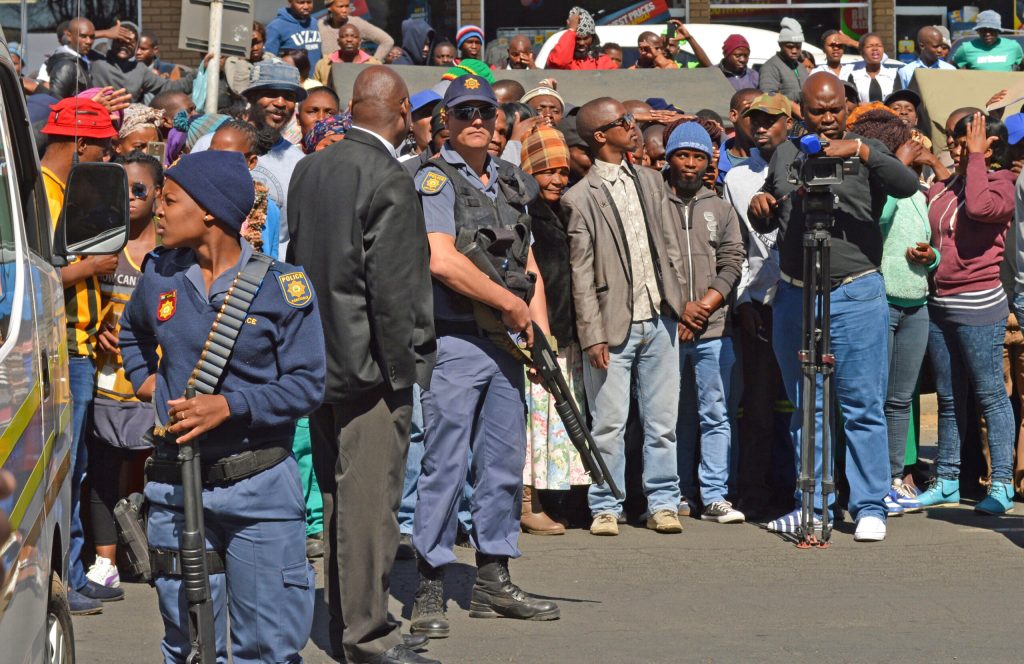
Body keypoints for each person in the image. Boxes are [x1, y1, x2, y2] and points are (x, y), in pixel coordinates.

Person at [118, 150, 324, 663]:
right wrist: (152, 388)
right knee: (187, 646)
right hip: (176, 487)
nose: (158, 211)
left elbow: (307, 385)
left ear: (209, 209)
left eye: (169, 199)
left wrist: (228, 407)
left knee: (266, 648)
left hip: (259, 491)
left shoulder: (282, 287)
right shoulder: (160, 275)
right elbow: (132, 335)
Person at [287, 65, 438, 664]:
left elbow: (304, 266)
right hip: (372, 369)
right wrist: (406, 372)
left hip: (318, 361)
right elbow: (393, 292)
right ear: (402, 110)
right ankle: (368, 638)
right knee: (371, 508)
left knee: (338, 498)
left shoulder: (309, 169)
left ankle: (346, 622)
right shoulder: (389, 178)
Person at [410, 74, 558, 639]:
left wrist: (537, 333)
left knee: (501, 462)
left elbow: (530, 267)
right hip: (456, 338)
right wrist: (511, 309)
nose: (477, 119)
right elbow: (441, 261)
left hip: (506, 343)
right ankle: (430, 581)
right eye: (464, 111)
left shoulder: (512, 182)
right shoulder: (432, 177)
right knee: (445, 463)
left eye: (485, 111)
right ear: (444, 121)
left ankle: (493, 579)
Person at [748, 72, 920, 542]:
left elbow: (906, 185)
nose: (826, 120)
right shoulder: (787, 150)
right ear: (801, 110)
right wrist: (759, 207)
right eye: (816, 111)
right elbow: (770, 208)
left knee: (862, 405)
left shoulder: (868, 148)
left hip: (855, 291)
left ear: (847, 106)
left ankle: (869, 506)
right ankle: (813, 505)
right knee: (808, 406)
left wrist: (862, 152)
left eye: (834, 110)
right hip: (795, 292)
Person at [563, 97, 686, 536]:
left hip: (660, 318)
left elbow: (671, 246)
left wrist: (678, 301)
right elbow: (580, 272)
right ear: (601, 136)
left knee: (662, 423)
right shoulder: (579, 197)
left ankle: (663, 503)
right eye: (624, 122)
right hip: (613, 325)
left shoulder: (651, 181)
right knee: (609, 423)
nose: (634, 126)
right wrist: (592, 335)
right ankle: (606, 505)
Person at [40, 97, 124, 615]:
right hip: (61, 351)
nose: (107, 156)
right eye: (102, 146)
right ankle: (64, 578)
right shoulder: (41, 199)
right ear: (78, 144)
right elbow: (33, 277)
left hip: (82, 346)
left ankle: (67, 574)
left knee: (76, 464)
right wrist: (89, 267)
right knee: (64, 470)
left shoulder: (64, 193)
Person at [919, 112, 1017, 514]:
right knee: (948, 395)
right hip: (940, 303)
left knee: (991, 395)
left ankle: (1002, 485)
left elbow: (978, 208)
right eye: (956, 142)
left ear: (989, 146)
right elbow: (938, 220)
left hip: (979, 306)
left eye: (965, 141)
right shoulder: (953, 182)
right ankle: (946, 479)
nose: (957, 148)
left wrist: (975, 158)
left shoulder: (1003, 184)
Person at [847, 106, 934, 515]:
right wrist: (896, 168)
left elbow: (928, 238)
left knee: (900, 399)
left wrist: (930, 257)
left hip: (917, 303)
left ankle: (896, 478)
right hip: (882, 302)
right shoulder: (877, 184)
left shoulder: (918, 190)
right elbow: (875, 220)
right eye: (905, 143)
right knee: (875, 398)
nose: (916, 146)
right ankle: (875, 482)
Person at [84, 152, 162, 590]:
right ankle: (105, 564)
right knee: (103, 468)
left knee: (151, 467)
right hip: (105, 379)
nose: (130, 199)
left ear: (157, 196)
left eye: (139, 190)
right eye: (123, 190)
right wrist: (97, 330)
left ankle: (148, 552)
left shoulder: (170, 251)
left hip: (151, 382)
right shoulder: (99, 246)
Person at [663, 122, 744, 524]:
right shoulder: (655, 203)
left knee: (715, 413)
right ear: (669, 158)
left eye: (698, 156)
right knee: (672, 417)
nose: (690, 164)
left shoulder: (722, 208)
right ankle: (677, 493)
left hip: (714, 329)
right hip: (668, 329)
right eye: (683, 155)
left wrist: (704, 308)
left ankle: (714, 495)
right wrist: (681, 310)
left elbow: (732, 264)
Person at [723, 92, 793, 518]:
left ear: (789, 123)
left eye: (771, 119)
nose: (762, 126)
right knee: (760, 404)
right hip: (759, 304)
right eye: (755, 119)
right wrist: (742, 301)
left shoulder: (805, 167)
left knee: (801, 403)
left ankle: (800, 486)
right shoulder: (735, 178)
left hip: (802, 297)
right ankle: (755, 491)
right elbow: (737, 247)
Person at [519, 125, 587, 535]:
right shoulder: (520, 212)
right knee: (531, 424)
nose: (558, 179)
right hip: (532, 334)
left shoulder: (564, 212)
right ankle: (527, 502)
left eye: (563, 171)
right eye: (547, 171)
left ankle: (551, 497)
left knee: (555, 421)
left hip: (564, 332)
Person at [210, 120, 282, 258]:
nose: (216, 161)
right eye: (211, 153)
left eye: (227, 157)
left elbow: (270, 258)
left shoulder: (267, 208)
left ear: (251, 162)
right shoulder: (197, 197)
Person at [90, 23, 196, 103]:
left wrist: (198, 72)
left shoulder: (139, 69)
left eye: (129, 42)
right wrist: (105, 33)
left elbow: (169, 88)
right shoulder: (97, 59)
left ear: (136, 46)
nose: (124, 45)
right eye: (119, 40)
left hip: (126, 123)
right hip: (98, 118)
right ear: (112, 41)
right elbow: (76, 41)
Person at [318, 0, 393, 62]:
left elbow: (387, 41)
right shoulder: (321, 25)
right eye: (340, 7)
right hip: (327, 74)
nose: (344, 10)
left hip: (353, 73)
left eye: (347, 6)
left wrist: (373, 63)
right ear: (329, 8)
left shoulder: (357, 23)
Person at [546, 7, 617, 70]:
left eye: (586, 38)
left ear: (592, 37)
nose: (582, 43)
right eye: (577, 39)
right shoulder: (562, 57)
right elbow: (558, 62)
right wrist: (571, 30)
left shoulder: (602, 61)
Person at [224, 22, 282, 96]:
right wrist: (242, 62)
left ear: (264, 42)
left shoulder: (271, 59)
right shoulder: (233, 62)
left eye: (258, 43)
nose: (255, 48)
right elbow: (238, 91)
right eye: (250, 44)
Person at [759, 18, 809, 107]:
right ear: (780, 45)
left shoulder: (800, 67)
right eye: (790, 46)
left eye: (798, 47)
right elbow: (768, 98)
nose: (794, 50)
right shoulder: (770, 67)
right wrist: (800, 96)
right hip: (783, 118)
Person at [953, 10, 1023, 72]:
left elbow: (1022, 65)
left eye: (991, 30)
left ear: (998, 31)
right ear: (978, 31)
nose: (987, 34)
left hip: (1006, 87)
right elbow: (951, 67)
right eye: (983, 30)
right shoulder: (966, 48)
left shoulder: (1013, 46)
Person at [44, 17, 96, 99]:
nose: (88, 41)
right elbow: (55, 102)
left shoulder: (81, 60)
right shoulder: (65, 66)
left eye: (92, 37)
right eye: (83, 36)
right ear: (69, 36)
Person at [845, 33, 904, 104]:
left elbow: (897, 101)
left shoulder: (893, 74)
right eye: (870, 46)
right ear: (862, 52)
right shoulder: (854, 76)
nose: (875, 49)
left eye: (879, 45)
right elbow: (852, 104)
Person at [313, 23, 380, 84]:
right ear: (338, 41)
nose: (349, 40)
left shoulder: (374, 64)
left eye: (354, 36)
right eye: (344, 36)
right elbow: (316, 92)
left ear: (359, 41)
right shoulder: (323, 64)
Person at [718, 88, 759, 183]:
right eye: (752, 112)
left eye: (765, 114)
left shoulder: (776, 161)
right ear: (734, 116)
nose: (759, 120)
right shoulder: (714, 163)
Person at [266, 0, 322, 66]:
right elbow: (268, 59)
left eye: (309, 2)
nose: (306, 6)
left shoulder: (315, 23)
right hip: (290, 75)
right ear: (290, 2)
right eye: (301, 2)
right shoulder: (276, 26)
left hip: (316, 75)